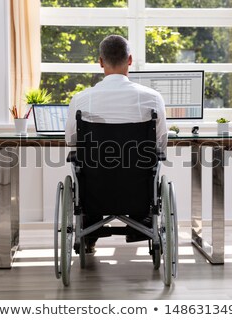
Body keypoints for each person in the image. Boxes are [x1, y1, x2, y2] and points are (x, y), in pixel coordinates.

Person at [65, 35, 168, 252]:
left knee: (86, 172)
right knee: (147, 169)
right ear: (129, 60)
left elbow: (71, 141)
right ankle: (141, 222)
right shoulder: (152, 98)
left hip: (95, 189)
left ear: (100, 62)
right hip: (138, 190)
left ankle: (90, 227)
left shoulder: (81, 99)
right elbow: (160, 142)